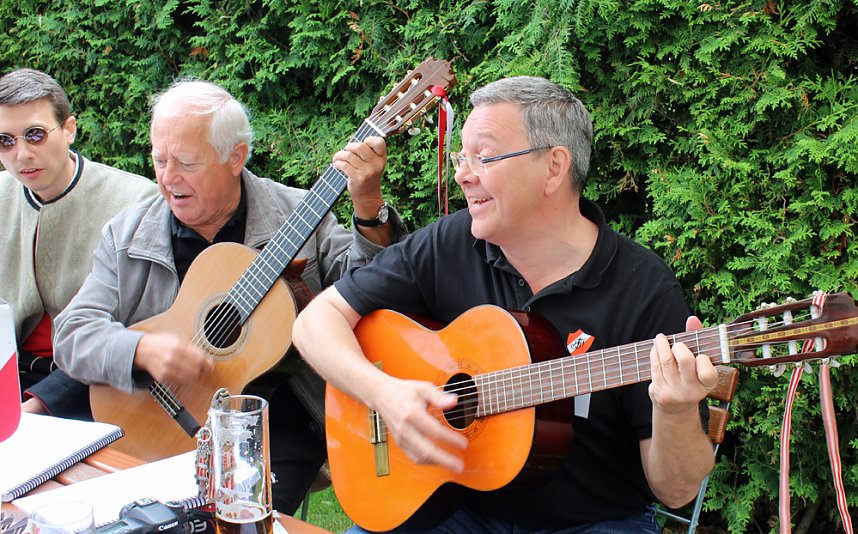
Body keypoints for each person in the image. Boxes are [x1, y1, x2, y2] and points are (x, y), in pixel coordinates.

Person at [292, 76, 719, 532]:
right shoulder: (451, 243)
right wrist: (383, 394)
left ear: (553, 168)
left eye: (486, 156)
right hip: (454, 506)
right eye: (462, 157)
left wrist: (674, 410)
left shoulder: (642, 288)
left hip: (592, 521)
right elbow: (316, 321)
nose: (463, 174)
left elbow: (676, 491)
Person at [53, 79, 406, 514]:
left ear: (235, 157)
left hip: (280, 420)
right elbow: (71, 334)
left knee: (234, 523)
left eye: (185, 162)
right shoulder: (127, 235)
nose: (167, 177)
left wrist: (368, 206)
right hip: (155, 418)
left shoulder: (300, 215)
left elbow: (373, 293)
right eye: (159, 159)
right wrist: (140, 349)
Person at [0, 68, 158, 420]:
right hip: (7, 383)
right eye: (5, 141)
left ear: (69, 128)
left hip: (95, 391)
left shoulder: (134, 202)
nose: (21, 154)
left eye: (35, 135)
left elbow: (135, 332)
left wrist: (35, 408)